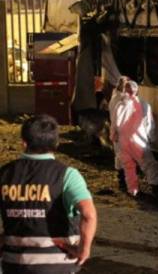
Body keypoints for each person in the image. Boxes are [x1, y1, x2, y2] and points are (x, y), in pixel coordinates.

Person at [0, 115, 97, 273]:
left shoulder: (4, 174)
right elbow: (89, 214)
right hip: (58, 264)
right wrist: (83, 249)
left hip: (14, 264)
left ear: (23, 142)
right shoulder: (67, 175)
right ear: (57, 143)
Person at [111, 80, 158, 198]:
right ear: (137, 91)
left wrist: (114, 136)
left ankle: (132, 189)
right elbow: (149, 124)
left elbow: (114, 123)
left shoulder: (119, 105)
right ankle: (155, 186)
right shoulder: (143, 104)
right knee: (148, 164)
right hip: (138, 140)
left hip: (123, 142)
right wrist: (152, 138)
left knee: (128, 166)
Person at [108, 76, 129, 192]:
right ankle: (123, 181)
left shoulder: (116, 97)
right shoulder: (119, 99)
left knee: (120, 155)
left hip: (119, 131)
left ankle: (122, 180)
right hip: (120, 131)